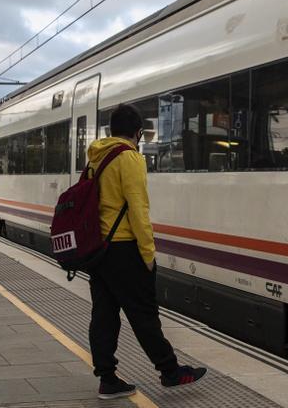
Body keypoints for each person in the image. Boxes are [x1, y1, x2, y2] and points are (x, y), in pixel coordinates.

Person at [86, 104, 206, 400]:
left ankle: (107, 378)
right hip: (125, 249)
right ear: (138, 133)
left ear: (111, 131)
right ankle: (170, 371)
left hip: (99, 249)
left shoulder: (96, 157)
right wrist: (148, 253)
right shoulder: (130, 158)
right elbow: (138, 209)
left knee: (104, 315)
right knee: (144, 314)